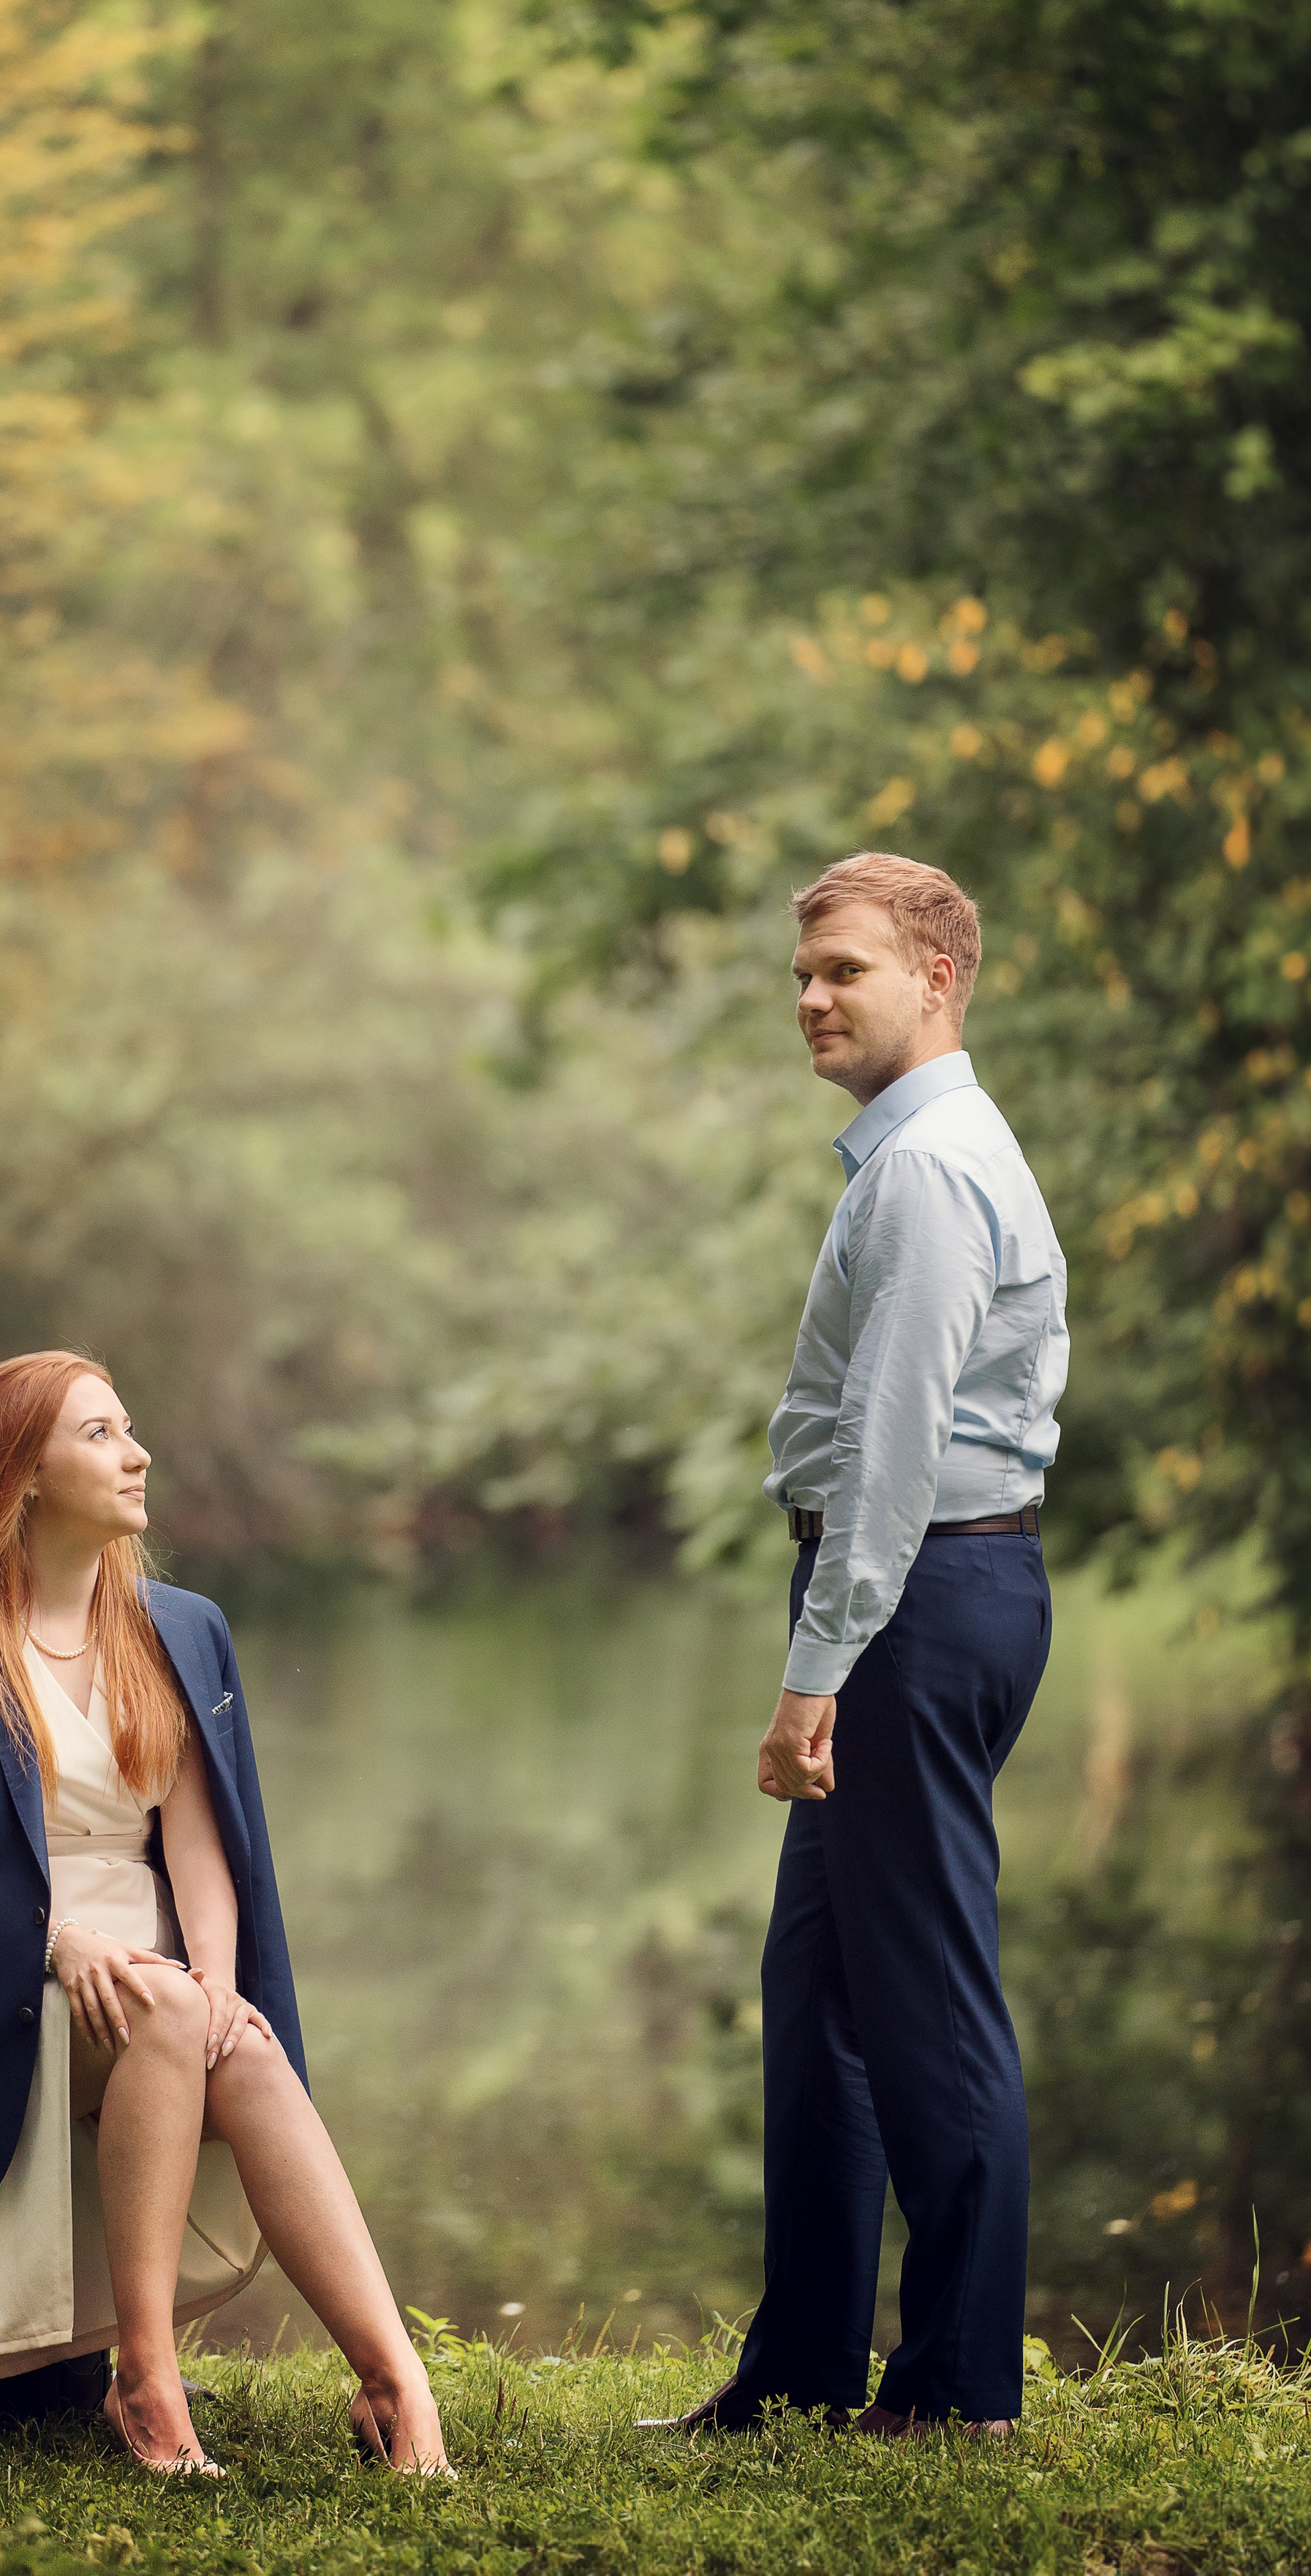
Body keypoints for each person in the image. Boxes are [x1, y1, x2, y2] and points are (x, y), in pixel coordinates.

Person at [0, 1347, 452, 2477]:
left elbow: (201, 1836)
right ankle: (146, 2378)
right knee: (160, 2009)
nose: (137, 1451)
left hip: (146, 1972)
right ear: (22, 1475)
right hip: (0, 1991)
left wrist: (216, 1975)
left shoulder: (180, 1628)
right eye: (100, 1433)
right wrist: (55, 1939)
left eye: (129, 1426)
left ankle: (397, 2380)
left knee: (234, 2043)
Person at [668, 852, 1068, 2441]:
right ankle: (801, 2362)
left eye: (841, 969)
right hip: (924, 1593)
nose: (811, 999)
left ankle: (960, 2384)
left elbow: (891, 1455)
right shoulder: (920, 1154)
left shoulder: (922, 1171)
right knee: (818, 1988)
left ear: (936, 978)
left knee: (923, 1997)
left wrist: (812, 1673)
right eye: (802, 976)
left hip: (907, 1602)